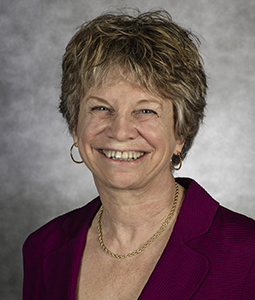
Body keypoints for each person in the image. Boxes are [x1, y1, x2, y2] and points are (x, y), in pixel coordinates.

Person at [23, 9, 255, 300]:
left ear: (180, 132)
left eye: (146, 110)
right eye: (100, 108)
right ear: (74, 125)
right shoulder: (43, 248)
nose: (120, 131)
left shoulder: (248, 254)